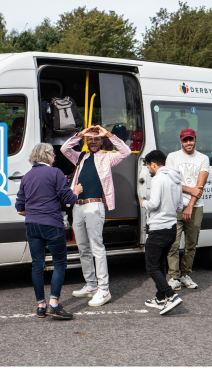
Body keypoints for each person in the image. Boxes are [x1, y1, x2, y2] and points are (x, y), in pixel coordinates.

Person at [61, 125, 131, 306]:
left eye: (96, 139)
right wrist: (80, 134)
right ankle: (91, 285)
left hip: (95, 205)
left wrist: (107, 133)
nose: (92, 141)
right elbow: (64, 149)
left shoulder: (107, 157)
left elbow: (126, 151)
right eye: (89, 139)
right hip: (77, 206)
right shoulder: (80, 156)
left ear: (101, 141)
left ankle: (104, 289)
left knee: (97, 248)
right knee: (83, 247)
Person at [15, 143, 83, 319]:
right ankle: (54, 304)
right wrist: (75, 191)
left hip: (31, 225)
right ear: (47, 155)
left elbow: (20, 208)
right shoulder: (56, 173)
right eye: (53, 154)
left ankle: (41, 306)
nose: (55, 157)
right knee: (59, 264)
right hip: (52, 223)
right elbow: (67, 199)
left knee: (37, 265)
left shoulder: (27, 176)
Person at [166, 128, 210, 290]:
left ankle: (185, 274)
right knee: (173, 243)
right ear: (181, 141)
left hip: (195, 206)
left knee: (191, 244)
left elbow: (200, 186)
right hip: (175, 205)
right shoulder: (172, 157)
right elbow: (171, 181)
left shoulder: (203, 159)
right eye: (185, 140)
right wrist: (190, 190)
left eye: (191, 140)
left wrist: (190, 205)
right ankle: (174, 277)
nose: (188, 143)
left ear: (195, 140)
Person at [141, 150, 184, 315]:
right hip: (172, 228)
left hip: (158, 228)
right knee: (161, 264)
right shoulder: (176, 179)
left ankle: (170, 295)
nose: (148, 170)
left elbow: (154, 203)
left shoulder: (159, 178)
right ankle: (160, 298)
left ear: (153, 163)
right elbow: (180, 206)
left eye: (148, 167)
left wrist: (144, 202)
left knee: (151, 267)